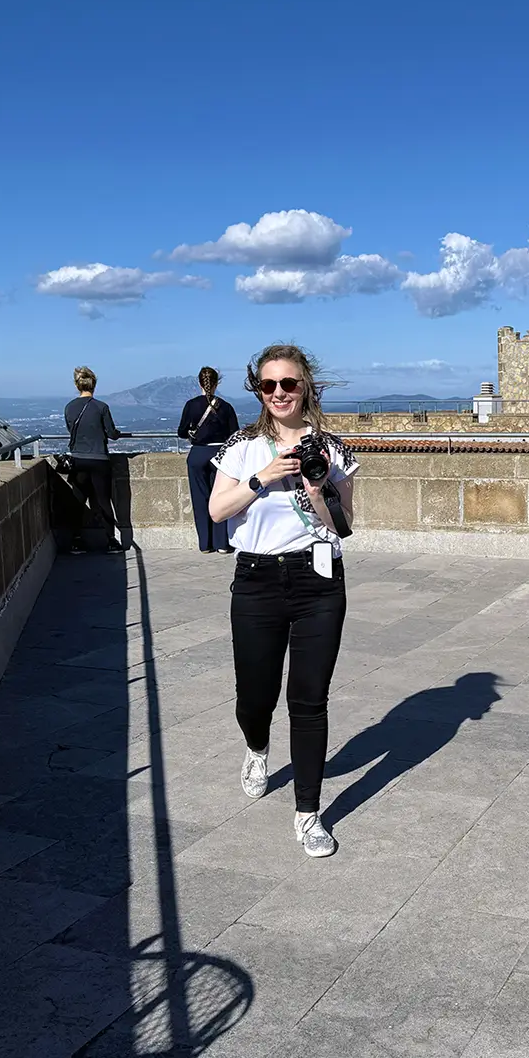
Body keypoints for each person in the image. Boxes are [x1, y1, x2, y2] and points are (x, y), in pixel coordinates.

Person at [208, 344, 358, 858]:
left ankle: (308, 813)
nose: (278, 394)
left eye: (288, 384)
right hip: (256, 578)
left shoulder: (332, 449)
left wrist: (319, 490)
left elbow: (345, 526)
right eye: (268, 385)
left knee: (309, 699)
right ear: (258, 389)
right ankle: (256, 748)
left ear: (305, 387)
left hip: (318, 581)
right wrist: (262, 479)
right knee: (255, 694)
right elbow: (215, 510)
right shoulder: (242, 445)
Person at [177, 367, 240, 554]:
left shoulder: (191, 405)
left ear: (199, 383)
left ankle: (205, 543)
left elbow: (181, 431)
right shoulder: (226, 407)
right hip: (221, 455)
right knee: (221, 498)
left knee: (200, 499)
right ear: (217, 383)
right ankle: (222, 543)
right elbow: (234, 434)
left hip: (198, 454)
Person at [63, 366, 126, 554]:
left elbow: (70, 429)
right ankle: (111, 540)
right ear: (94, 385)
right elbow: (112, 433)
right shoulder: (101, 407)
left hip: (78, 459)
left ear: (77, 385)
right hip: (99, 459)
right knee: (104, 501)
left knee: (78, 501)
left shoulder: (69, 407)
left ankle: (76, 540)